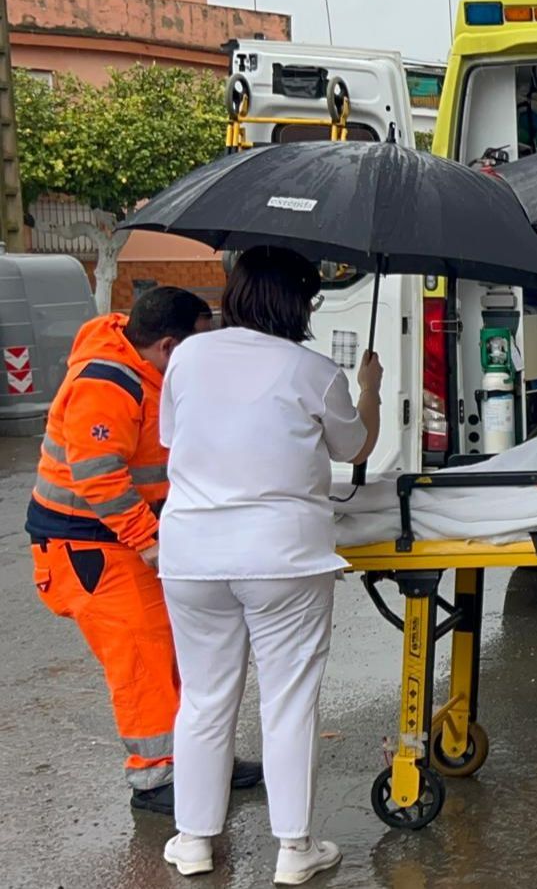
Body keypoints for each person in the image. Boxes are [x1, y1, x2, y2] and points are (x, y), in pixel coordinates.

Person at [157, 246, 382, 885]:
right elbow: (354, 446)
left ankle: (194, 839)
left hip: (193, 553)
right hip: (283, 555)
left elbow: (177, 441)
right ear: (302, 302)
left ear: (236, 294)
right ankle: (294, 849)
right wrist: (369, 389)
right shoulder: (313, 371)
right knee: (289, 700)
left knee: (203, 698)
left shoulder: (189, 358)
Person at [27, 286, 260, 816]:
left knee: (176, 655)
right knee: (144, 660)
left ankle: (200, 763)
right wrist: (150, 543)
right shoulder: (107, 384)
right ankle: (156, 780)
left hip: (117, 541)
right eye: (201, 343)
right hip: (88, 547)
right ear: (170, 345)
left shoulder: (145, 370)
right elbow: (98, 475)